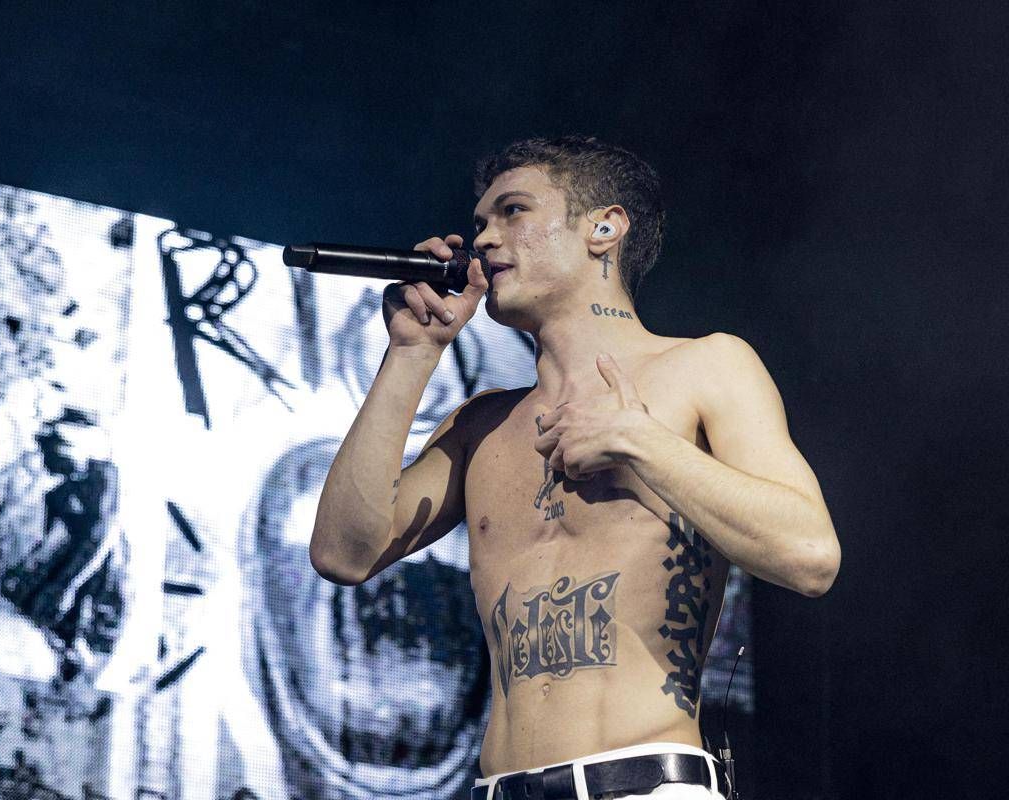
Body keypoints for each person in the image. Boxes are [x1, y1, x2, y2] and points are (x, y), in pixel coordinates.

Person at [309, 136, 840, 800]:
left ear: (604, 229)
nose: (484, 239)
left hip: (645, 783)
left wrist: (639, 441)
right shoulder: (481, 425)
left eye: (513, 211)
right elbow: (342, 553)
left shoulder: (706, 366)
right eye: (479, 223)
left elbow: (810, 556)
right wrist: (413, 353)